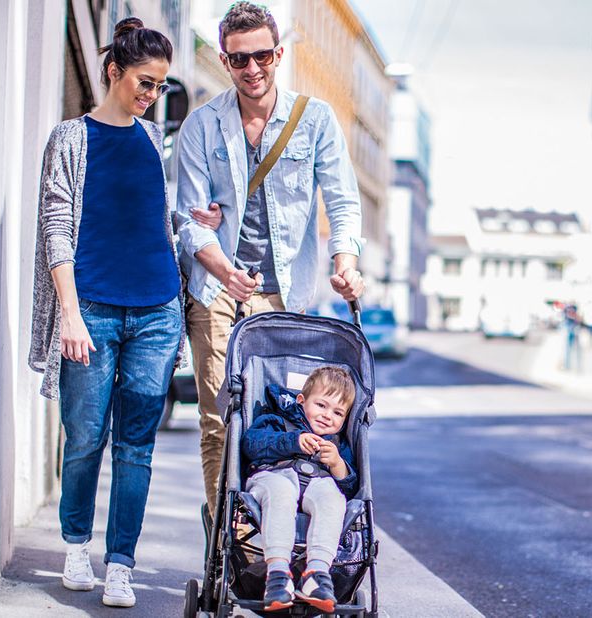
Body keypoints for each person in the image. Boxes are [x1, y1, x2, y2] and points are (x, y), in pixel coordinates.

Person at [174, 1, 365, 512]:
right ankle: (229, 543)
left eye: (261, 56)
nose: (252, 69)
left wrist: (344, 262)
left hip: (285, 297)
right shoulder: (201, 127)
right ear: (224, 60)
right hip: (217, 292)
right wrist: (223, 270)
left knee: (273, 419)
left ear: (278, 53)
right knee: (219, 421)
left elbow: (343, 201)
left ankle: (268, 528)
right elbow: (189, 221)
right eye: (239, 59)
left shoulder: (315, 120)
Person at [28, 17, 184, 608]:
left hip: (156, 310)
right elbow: (57, 225)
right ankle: (75, 546)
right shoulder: (71, 137)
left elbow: (154, 221)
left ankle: (121, 562)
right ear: (114, 72)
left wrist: (196, 227)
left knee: (137, 445)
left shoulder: (150, 141)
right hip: (90, 307)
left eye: (160, 86)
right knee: (86, 437)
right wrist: (68, 313)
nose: (150, 95)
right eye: (144, 82)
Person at [241, 367, 359, 613]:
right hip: (273, 476)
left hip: (318, 483)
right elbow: (252, 445)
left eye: (338, 412)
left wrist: (337, 464)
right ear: (301, 401)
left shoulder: (338, 444)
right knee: (281, 491)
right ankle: (278, 575)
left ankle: (316, 573)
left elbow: (350, 488)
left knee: (333, 498)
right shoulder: (277, 420)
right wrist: (292, 441)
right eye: (321, 405)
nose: (328, 416)